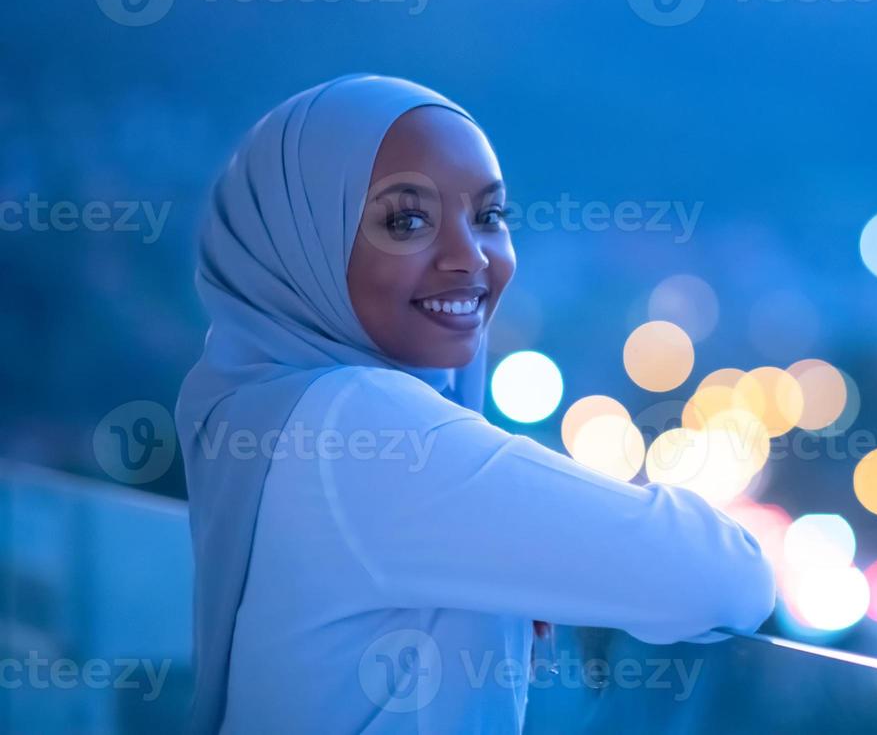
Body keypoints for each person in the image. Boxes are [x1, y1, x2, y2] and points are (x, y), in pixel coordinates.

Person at [174, 74, 776, 734]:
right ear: (304, 242)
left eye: (488, 216)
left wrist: (522, 551)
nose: (470, 257)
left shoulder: (265, 403)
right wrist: (556, 555)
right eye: (407, 220)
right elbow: (727, 580)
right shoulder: (360, 423)